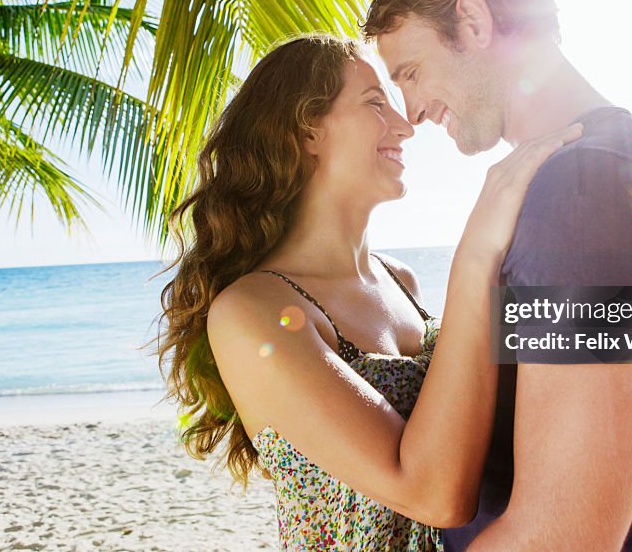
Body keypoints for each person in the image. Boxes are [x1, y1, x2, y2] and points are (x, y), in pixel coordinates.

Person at [364, 0, 632, 551]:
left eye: (412, 71)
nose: (411, 112)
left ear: (473, 22)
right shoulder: (595, 175)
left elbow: (566, 538)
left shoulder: (588, 191)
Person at [156, 34, 583, 550]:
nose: (405, 126)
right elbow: (433, 496)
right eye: (375, 103)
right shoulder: (252, 313)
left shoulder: (401, 282)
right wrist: (475, 254)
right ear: (308, 130)